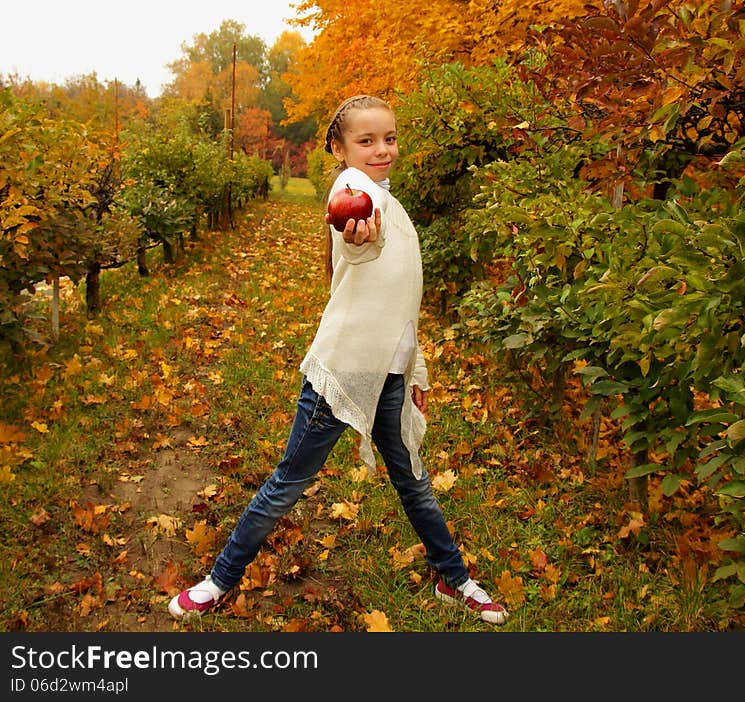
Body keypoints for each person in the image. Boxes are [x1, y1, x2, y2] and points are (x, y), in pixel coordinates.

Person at [169, 95, 509, 626]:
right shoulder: (351, 192)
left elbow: (401, 292)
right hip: (347, 371)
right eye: (366, 140)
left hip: (390, 372)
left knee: (413, 482)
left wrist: (413, 366)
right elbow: (357, 244)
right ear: (338, 147)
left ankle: (453, 577)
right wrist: (357, 243)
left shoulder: (390, 202)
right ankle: (220, 579)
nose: (381, 150)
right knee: (289, 483)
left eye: (389, 138)